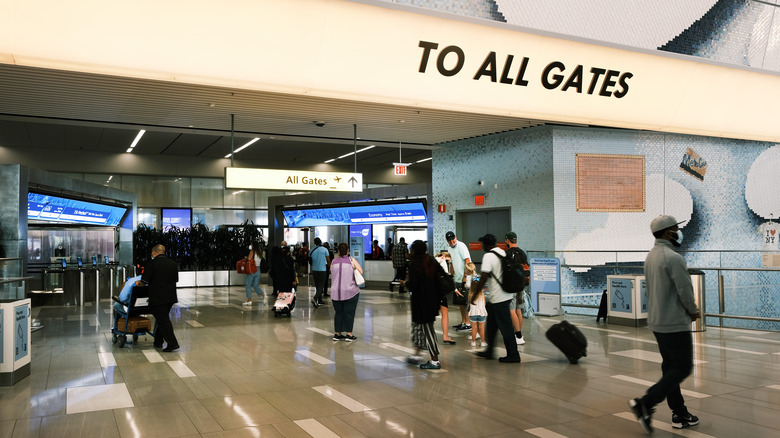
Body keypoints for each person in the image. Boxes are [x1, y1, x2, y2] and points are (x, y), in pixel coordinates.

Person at [629, 215, 700, 434]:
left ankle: (679, 412)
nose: (679, 232)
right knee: (682, 367)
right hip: (674, 322)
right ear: (668, 233)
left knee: (670, 367)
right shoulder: (673, 258)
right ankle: (646, 403)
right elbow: (685, 290)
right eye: (676, 228)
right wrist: (693, 310)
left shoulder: (651, 257)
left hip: (658, 322)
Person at [472, 234, 521, 363]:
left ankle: (513, 355)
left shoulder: (488, 256)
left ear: (486, 245)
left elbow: (483, 277)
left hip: (499, 298)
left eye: (483, 245)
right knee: (492, 326)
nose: (483, 247)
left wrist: (475, 295)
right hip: (501, 296)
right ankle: (489, 351)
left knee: (506, 328)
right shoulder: (502, 252)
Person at [404, 240, 443, 369]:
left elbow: (414, 284)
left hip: (421, 303)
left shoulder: (415, 264)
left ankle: (434, 360)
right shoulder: (431, 260)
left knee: (428, 330)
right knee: (423, 328)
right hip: (432, 301)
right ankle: (418, 354)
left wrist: (405, 283)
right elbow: (442, 274)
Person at [135, 244, 180, 352]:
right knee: (162, 318)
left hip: (158, 298)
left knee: (163, 320)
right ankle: (158, 342)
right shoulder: (173, 263)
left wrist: (138, 283)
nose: (151, 254)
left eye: (152, 253)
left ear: (155, 252)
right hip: (170, 297)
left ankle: (172, 343)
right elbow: (176, 280)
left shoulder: (152, 264)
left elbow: (144, 281)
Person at [330, 243, 362, 341]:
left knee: (338, 312)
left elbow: (331, 271)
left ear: (338, 251)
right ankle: (349, 334)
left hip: (335, 292)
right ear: (348, 250)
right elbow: (360, 271)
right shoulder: (351, 260)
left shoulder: (333, 261)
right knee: (349, 313)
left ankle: (338, 334)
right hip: (350, 291)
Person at [445, 231, 472, 331]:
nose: (452, 242)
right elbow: (451, 263)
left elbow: (467, 260)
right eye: (449, 241)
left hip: (464, 278)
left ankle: (468, 323)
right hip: (457, 278)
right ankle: (463, 321)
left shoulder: (461, 246)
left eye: (453, 239)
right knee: (460, 302)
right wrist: (451, 275)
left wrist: (465, 275)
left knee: (465, 301)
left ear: (455, 237)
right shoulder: (449, 248)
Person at [505, 231, 528, 345]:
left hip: (512, 285)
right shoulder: (522, 253)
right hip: (521, 284)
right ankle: (519, 334)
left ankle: (517, 335)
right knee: (519, 309)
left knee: (511, 310)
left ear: (507, 240)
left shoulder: (508, 253)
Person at [433, 251, 456, 345]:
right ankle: (445, 336)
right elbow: (448, 274)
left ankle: (427, 335)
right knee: (444, 312)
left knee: (432, 313)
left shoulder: (434, 260)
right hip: (439, 291)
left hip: (432, 290)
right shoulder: (442, 261)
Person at [468, 272, 487, 348]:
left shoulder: (470, 295)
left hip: (473, 314)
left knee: (474, 328)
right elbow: (485, 303)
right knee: (482, 328)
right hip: (481, 313)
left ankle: (473, 341)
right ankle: (483, 342)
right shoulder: (482, 294)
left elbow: (469, 304)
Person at [309, 237, 330, 307]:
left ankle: (320, 300)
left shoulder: (311, 250)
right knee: (321, 285)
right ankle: (315, 298)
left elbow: (310, 259)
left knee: (317, 285)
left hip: (314, 269)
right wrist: (330, 267)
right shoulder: (324, 249)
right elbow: (328, 259)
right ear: (320, 242)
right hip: (322, 269)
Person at [243, 241, 264, 306]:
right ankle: (263, 295)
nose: (250, 246)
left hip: (252, 269)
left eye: (251, 245)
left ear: (253, 246)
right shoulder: (260, 253)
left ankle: (249, 300)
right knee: (255, 285)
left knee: (248, 284)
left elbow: (249, 259)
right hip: (258, 270)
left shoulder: (252, 252)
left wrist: (246, 258)